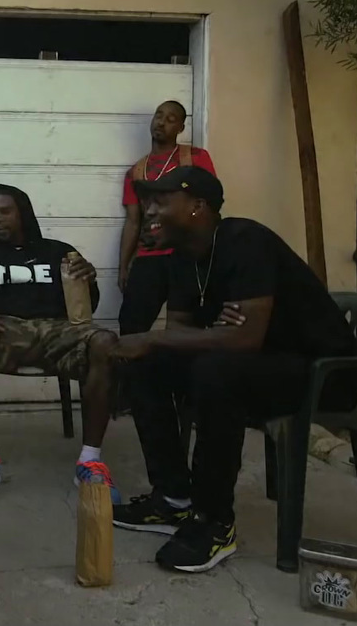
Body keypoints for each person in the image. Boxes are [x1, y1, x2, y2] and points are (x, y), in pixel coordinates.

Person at [107, 166, 357, 574]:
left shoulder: (246, 241)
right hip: (258, 361)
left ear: (197, 207)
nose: (148, 210)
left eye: (161, 200)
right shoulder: (183, 257)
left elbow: (242, 339)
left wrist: (195, 337)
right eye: (148, 200)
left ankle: (214, 521)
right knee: (146, 364)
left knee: (214, 372)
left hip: (322, 372)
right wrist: (203, 335)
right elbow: (182, 333)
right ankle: (173, 498)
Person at [0, 185, 124, 505]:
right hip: (5, 328)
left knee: (105, 342)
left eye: (5, 211)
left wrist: (90, 280)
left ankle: (90, 461)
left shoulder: (58, 251)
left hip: (57, 331)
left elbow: (85, 309)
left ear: (23, 213)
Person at [113, 100, 218, 527]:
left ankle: (181, 396)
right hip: (150, 259)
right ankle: (133, 395)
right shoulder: (137, 171)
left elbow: (209, 207)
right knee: (130, 327)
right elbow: (134, 221)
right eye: (158, 116)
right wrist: (125, 264)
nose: (162, 122)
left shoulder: (197, 159)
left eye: (171, 117)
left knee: (185, 329)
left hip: (186, 258)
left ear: (181, 125)